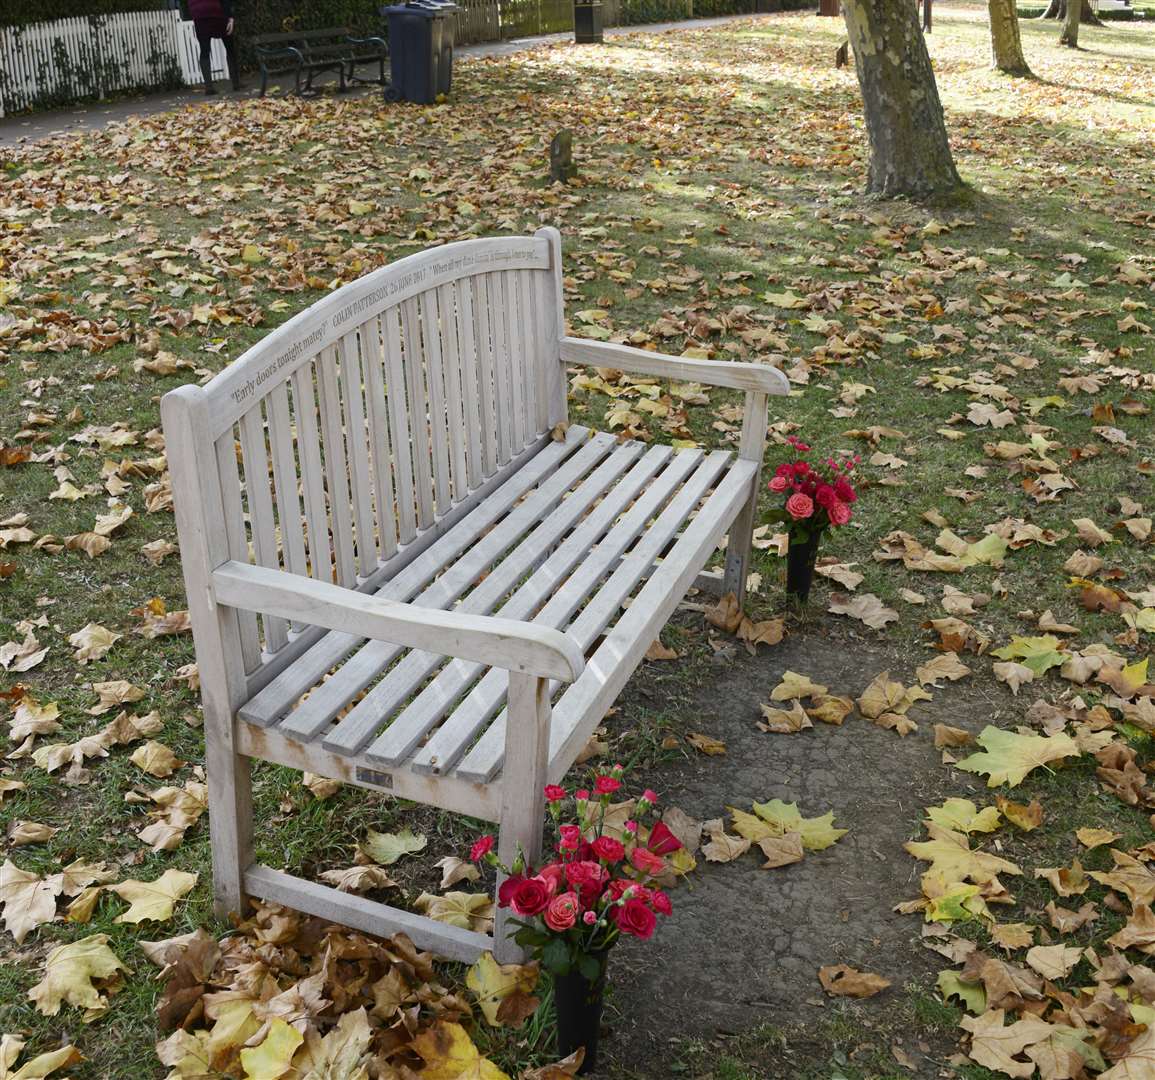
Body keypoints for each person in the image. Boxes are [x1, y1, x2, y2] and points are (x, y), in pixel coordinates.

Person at [188, 0, 242, 95]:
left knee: (204, 51)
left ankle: (209, 88)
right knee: (230, 49)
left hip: (200, 16)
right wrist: (230, 17)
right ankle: (236, 83)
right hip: (218, 14)